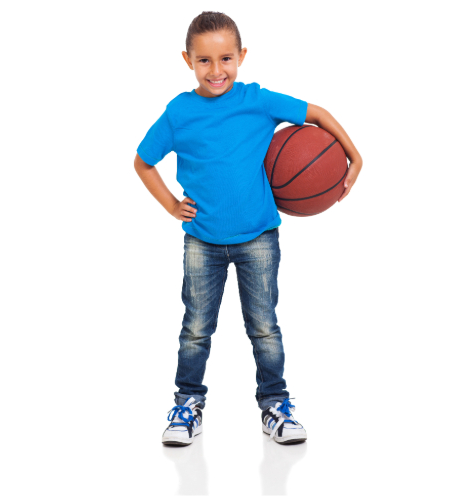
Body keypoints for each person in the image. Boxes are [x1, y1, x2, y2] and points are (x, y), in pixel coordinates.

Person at [134, 11, 363, 446]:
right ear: (187, 60)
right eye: (204, 61)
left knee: (263, 326)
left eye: (225, 59)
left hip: (259, 238)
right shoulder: (179, 112)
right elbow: (143, 161)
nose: (216, 70)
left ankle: (275, 406)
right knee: (196, 328)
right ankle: (187, 406)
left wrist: (356, 156)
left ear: (241, 57)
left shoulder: (257, 101)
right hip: (201, 241)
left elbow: (317, 112)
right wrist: (170, 205)